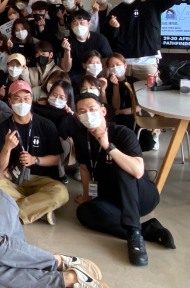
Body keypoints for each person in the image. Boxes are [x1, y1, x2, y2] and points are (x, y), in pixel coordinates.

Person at [73, 93, 175, 266]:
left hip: (141, 195)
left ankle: (135, 234)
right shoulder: (81, 137)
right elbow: (84, 168)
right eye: (82, 111)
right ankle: (147, 229)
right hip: (113, 199)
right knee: (84, 212)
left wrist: (108, 146)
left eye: (92, 109)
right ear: (77, 116)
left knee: (123, 170)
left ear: (103, 111)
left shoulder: (122, 133)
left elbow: (137, 171)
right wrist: (86, 196)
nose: (87, 114)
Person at [0, 80, 69, 225]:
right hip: (13, 179)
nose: (22, 102)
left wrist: (35, 160)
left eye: (26, 98)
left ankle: (15, 213)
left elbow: (56, 159)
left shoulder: (46, 125)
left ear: (31, 100)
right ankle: (39, 209)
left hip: (42, 180)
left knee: (61, 192)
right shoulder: (3, 129)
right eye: (17, 99)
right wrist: (7, 148)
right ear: (9, 101)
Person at [103, 0, 179, 77]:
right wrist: (113, 28)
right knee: (121, 88)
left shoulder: (150, 4)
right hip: (122, 63)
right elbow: (109, 38)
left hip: (147, 62)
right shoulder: (114, 12)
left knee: (149, 88)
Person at [32, 80, 79, 184]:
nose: (57, 99)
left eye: (62, 97)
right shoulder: (39, 105)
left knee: (64, 143)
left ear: (68, 99)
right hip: (38, 134)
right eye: (54, 94)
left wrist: (70, 116)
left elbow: (70, 132)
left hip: (56, 138)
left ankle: (59, 171)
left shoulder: (68, 114)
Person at [61, 10, 113, 79]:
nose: (78, 26)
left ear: (89, 23)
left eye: (82, 22)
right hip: (76, 74)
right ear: (71, 26)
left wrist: (102, 80)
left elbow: (105, 64)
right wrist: (67, 51)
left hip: (97, 73)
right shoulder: (68, 41)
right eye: (75, 23)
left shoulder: (100, 39)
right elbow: (66, 69)